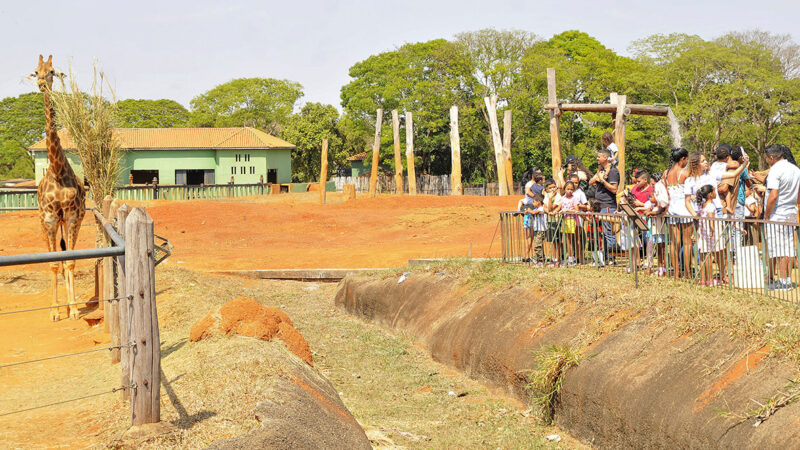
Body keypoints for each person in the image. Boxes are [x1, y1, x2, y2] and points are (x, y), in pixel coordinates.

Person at [684, 151, 749, 284]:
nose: (706, 162)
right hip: (701, 216)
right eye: (703, 161)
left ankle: (724, 274)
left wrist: (745, 164)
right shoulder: (689, 180)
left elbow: (733, 174)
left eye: (706, 160)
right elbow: (687, 201)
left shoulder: (712, 174)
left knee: (721, 247)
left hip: (716, 212)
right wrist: (695, 215)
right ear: (696, 164)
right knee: (704, 249)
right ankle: (705, 278)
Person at [762, 145, 800, 291]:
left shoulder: (775, 170)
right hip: (790, 211)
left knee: (779, 249)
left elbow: (773, 195)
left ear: (771, 157)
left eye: (766, 159)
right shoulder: (795, 169)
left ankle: (784, 281)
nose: (767, 161)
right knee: (789, 247)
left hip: (777, 214)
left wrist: (766, 215)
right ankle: (787, 279)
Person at [665, 148, 693, 278]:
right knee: (687, 243)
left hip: (671, 210)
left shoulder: (666, 173)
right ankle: (687, 273)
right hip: (685, 210)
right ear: (683, 159)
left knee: (673, 242)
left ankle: (676, 273)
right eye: (686, 159)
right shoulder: (686, 173)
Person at [589, 148, 619, 264]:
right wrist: (597, 178)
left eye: (599, 156)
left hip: (607, 205)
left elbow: (614, 189)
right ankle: (605, 257)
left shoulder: (613, 172)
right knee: (602, 233)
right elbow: (590, 182)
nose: (597, 158)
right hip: (599, 205)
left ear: (606, 157)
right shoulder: (601, 170)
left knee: (608, 232)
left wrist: (602, 181)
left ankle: (611, 257)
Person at [644, 173, 668, 276]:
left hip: (661, 229)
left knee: (663, 249)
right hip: (655, 231)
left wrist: (653, 212)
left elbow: (662, 207)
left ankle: (664, 269)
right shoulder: (653, 205)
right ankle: (660, 268)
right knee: (659, 249)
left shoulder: (662, 196)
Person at [560, 181, 588, 266]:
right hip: (565, 220)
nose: (570, 191)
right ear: (564, 189)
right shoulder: (563, 198)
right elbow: (559, 207)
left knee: (573, 239)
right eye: (568, 189)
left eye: (572, 189)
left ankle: (574, 258)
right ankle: (570, 257)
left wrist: (568, 210)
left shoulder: (574, 198)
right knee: (566, 240)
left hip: (572, 220)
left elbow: (576, 210)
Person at [695, 185, 719, 286]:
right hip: (708, 233)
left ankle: (703, 279)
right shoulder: (711, 206)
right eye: (714, 191)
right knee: (708, 257)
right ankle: (709, 279)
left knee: (702, 257)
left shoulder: (701, 205)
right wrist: (712, 230)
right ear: (710, 194)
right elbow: (710, 218)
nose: (715, 193)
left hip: (702, 233)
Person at [529, 194, 547, 266]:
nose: (533, 204)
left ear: (538, 202)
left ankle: (541, 261)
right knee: (537, 245)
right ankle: (540, 259)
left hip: (541, 230)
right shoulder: (537, 209)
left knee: (538, 246)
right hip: (537, 229)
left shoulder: (541, 208)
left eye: (534, 202)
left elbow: (533, 212)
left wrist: (529, 210)